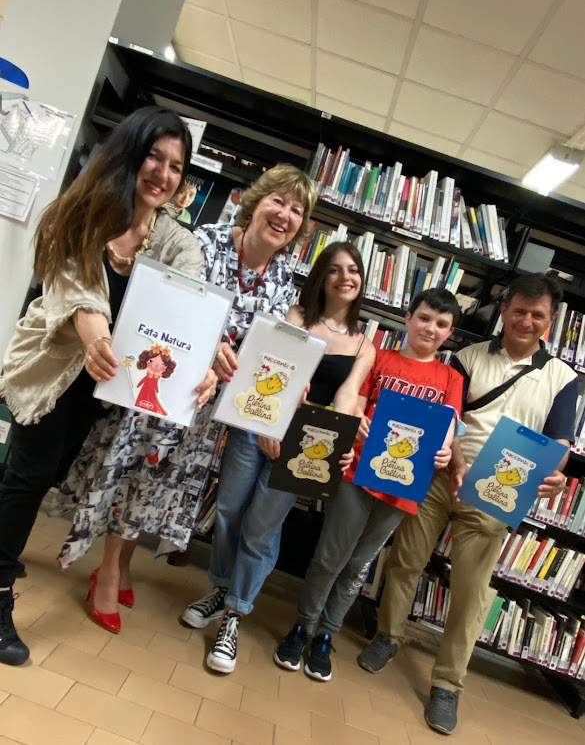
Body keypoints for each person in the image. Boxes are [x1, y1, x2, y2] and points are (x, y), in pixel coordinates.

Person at [56, 163, 316, 632]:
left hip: (209, 404)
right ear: (255, 202)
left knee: (160, 484)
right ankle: (109, 571)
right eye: (278, 200)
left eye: (297, 210)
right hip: (166, 381)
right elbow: (169, 302)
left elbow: (260, 348)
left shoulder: (283, 278)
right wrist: (211, 342)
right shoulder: (206, 241)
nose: (285, 214)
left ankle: (124, 564)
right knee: (137, 470)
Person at [0, 106, 217, 666]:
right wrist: (98, 340)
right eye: (154, 157)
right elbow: (81, 297)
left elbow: (191, 305)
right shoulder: (81, 212)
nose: (163, 175)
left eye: (175, 166)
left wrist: (209, 356)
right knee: (27, 478)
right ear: (130, 152)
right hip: (56, 372)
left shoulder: (173, 240)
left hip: (103, 394)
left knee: (40, 474)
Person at [357, 274, 577, 736]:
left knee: (471, 591)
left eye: (538, 315)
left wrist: (554, 471)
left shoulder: (564, 378)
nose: (526, 320)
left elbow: (560, 439)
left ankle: (448, 683)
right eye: (519, 310)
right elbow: (448, 416)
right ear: (505, 311)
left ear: (550, 321)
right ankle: (387, 636)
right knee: (405, 562)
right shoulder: (466, 357)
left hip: (497, 492)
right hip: (439, 476)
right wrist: (455, 464)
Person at [181, 241, 375, 674]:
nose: (346, 277)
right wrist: (273, 425)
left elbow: (346, 398)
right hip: (259, 426)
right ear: (321, 277)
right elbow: (274, 370)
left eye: (354, 271)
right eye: (336, 270)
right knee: (229, 509)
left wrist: (340, 443)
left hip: (307, 447)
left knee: (262, 527)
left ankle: (235, 613)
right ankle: (222, 589)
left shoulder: (365, 346)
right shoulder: (295, 316)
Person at [274, 288, 464, 682]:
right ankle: (302, 628)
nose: (431, 328)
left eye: (442, 324)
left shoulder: (450, 378)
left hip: (404, 487)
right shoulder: (380, 356)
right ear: (408, 318)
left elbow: (447, 429)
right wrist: (356, 418)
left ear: (450, 332)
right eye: (424, 318)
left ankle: (326, 635)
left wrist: (445, 453)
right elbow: (356, 399)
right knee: (330, 556)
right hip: (357, 470)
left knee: (358, 565)